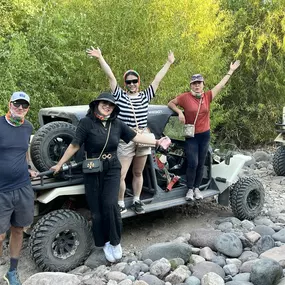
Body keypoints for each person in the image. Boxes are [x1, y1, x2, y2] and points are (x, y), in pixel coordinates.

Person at [51, 92, 168, 263]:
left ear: (114, 108)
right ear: (97, 104)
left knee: (110, 204)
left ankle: (115, 242)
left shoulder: (117, 124)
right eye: (104, 103)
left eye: (111, 104)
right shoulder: (86, 123)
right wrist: (60, 163)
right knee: (96, 209)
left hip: (112, 167)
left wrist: (156, 142)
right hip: (92, 168)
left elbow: (136, 137)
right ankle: (103, 242)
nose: (107, 106)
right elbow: (75, 145)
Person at [86, 47, 175, 214]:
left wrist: (168, 63)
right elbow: (111, 76)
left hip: (142, 137)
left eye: (135, 81)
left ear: (139, 82)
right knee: (120, 173)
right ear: (125, 84)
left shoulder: (145, 96)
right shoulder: (120, 96)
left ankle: (136, 199)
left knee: (138, 172)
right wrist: (100, 58)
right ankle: (120, 202)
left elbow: (157, 79)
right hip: (126, 138)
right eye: (129, 82)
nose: (132, 84)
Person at [168, 60, 240, 201]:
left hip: (204, 135)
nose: (197, 86)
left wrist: (230, 71)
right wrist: (179, 113)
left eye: (199, 83)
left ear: (203, 85)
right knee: (192, 163)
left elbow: (220, 85)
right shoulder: (184, 97)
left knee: (201, 163)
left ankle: (197, 188)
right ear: (191, 85)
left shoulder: (207, 96)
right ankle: (189, 189)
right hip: (191, 136)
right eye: (194, 83)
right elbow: (170, 103)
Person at [0, 91, 37, 285]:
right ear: (10, 104)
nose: (20, 108)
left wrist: (29, 168)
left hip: (22, 187)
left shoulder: (27, 127)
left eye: (24, 105)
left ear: (28, 108)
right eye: (17, 104)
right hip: (1, 190)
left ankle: (12, 271)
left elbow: (24, 152)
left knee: (18, 229)